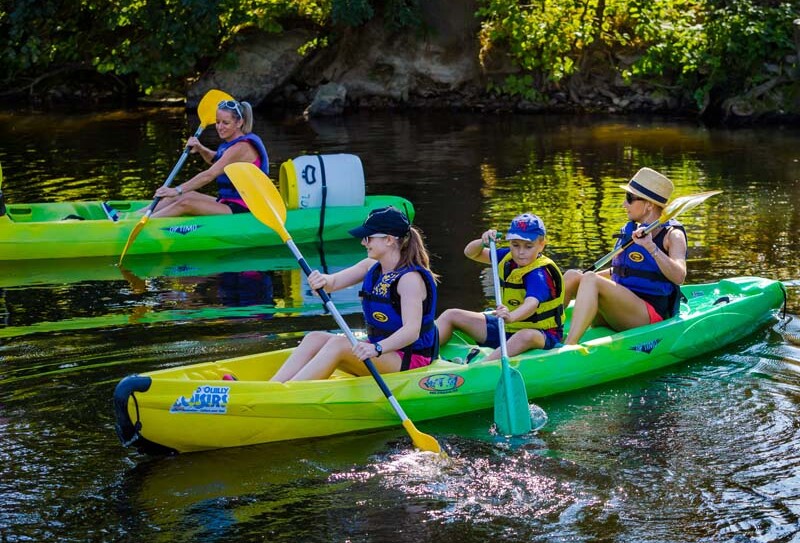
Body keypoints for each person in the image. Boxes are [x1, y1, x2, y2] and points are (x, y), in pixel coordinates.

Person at [269, 206, 439, 382]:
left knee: (339, 344)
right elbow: (333, 283)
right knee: (314, 338)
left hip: (410, 359)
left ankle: (291, 391)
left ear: (389, 240)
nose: (363, 243)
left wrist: (377, 349)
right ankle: (273, 387)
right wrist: (321, 281)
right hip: (381, 350)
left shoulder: (410, 279)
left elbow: (411, 331)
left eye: (368, 237)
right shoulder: (370, 266)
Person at [562, 167, 687, 345]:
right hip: (622, 307)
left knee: (590, 279)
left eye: (629, 198)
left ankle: (568, 348)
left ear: (649, 204)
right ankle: (548, 333)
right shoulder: (631, 231)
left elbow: (679, 276)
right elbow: (620, 271)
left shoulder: (672, 235)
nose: (624, 204)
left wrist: (652, 247)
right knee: (573, 276)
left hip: (650, 315)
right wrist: (583, 283)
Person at [436, 213, 565, 360]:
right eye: (515, 245)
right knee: (451, 315)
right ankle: (420, 354)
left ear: (541, 244)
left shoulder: (539, 274)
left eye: (528, 246)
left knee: (525, 335)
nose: (521, 252)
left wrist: (511, 316)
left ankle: (480, 367)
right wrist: (482, 242)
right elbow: (471, 253)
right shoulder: (507, 257)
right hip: (506, 328)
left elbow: (531, 304)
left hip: (541, 333)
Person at [151, 99, 269, 217]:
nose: (220, 127)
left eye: (225, 123)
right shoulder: (232, 144)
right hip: (230, 202)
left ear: (239, 123)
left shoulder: (241, 147)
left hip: (246, 208)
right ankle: (136, 216)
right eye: (217, 122)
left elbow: (209, 175)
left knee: (186, 203)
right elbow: (216, 161)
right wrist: (201, 148)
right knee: (186, 195)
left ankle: (145, 225)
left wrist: (175, 190)